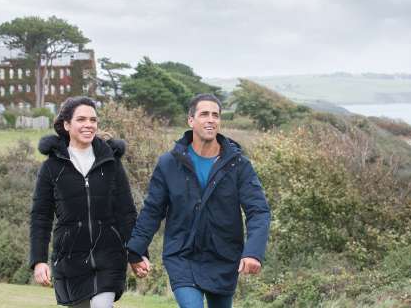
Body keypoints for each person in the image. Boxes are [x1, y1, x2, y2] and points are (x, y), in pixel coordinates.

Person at [127, 93, 271, 308]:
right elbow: (152, 211)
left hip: (224, 257)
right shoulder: (168, 163)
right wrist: (136, 250)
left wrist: (253, 252)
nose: (211, 119)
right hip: (181, 255)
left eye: (215, 115)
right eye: (204, 114)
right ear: (191, 120)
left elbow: (258, 211)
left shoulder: (238, 164)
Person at [30, 96, 145, 307]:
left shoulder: (111, 162)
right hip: (70, 261)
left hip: (109, 257)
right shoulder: (51, 168)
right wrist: (38, 261)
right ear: (67, 125)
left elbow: (126, 212)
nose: (88, 125)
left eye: (93, 120)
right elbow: (40, 217)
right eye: (81, 119)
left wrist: (137, 253)